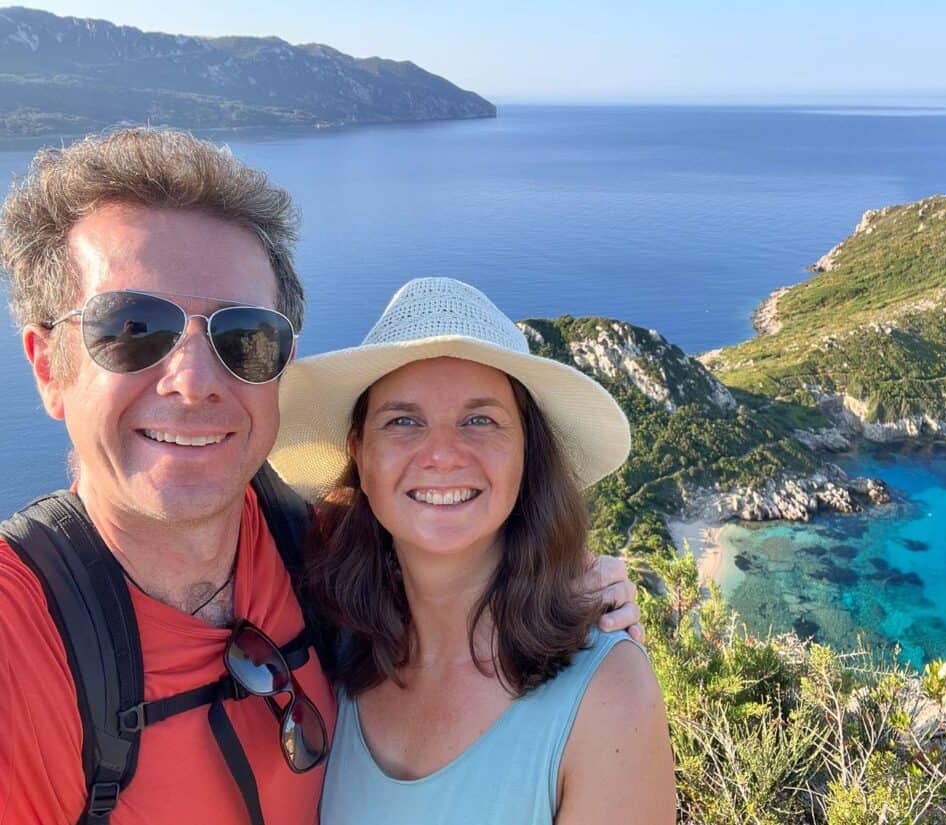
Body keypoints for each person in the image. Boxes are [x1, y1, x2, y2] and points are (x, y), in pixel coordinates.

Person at [0, 128, 642, 825]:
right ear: (47, 366)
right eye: (131, 328)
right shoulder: (21, 638)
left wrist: (577, 596)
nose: (192, 383)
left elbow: (458, 562)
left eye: (241, 336)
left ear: (277, 364)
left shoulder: (325, 560)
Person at [268, 277, 677, 824]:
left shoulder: (607, 695)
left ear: (527, 454)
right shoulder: (329, 645)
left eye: (479, 420)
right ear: (360, 455)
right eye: (403, 421)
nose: (441, 454)